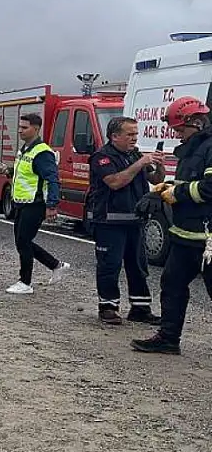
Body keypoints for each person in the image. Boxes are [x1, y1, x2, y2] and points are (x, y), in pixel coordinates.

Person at [133, 97, 212, 355]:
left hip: (207, 238)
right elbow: (189, 183)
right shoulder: (193, 148)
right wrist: (165, 189)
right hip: (185, 235)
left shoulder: (209, 147)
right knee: (172, 285)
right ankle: (168, 339)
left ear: (197, 123)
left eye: (180, 129)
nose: (177, 135)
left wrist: (176, 194)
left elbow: (209, 188)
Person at [88, 116, 165, 325]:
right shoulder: (102, 157)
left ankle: (140, 309)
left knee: (138, 266)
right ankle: (108, 307)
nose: (134, 138)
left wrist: (159, 165)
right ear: (114, 136)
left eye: (136, 134)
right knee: (110, 265)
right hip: (109, 221)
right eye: (129, 134)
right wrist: (140, 163)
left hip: (135, 220)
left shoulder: (135, 154)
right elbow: (115, 182)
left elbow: (156, 180)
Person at [4, 113, 71, 294]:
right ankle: (56, 265)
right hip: (21, 202)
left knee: (24, 241)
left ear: (36, 128)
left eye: (24, 128)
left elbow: (52, 179)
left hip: (36, 203)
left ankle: (25, 282)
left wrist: (51, 206)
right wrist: (9, 171)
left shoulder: (42, 152)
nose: (20, 130)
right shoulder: (25, 149)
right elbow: (28, 173)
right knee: (21, 242)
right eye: (20, 127)